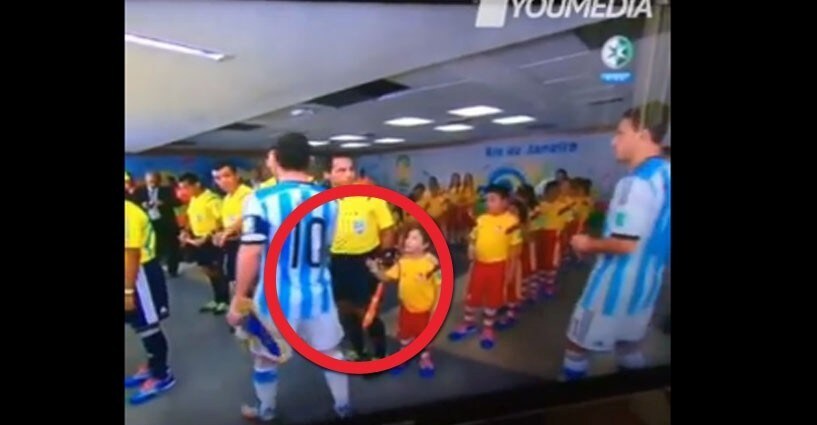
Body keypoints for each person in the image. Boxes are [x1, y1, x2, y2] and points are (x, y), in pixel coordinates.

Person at [227, 133, 351, 421]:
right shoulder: (330, 201)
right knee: (331, 352)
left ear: (275, 159)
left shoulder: (260, 199)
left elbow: (251, 251)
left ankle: (266, 410)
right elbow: (326, 248)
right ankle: (344, 407)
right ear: (308, 160)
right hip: (318, 294)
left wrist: (239, 298)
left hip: (275, 296)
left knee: (265, 357)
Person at [562, 105, 671, 380]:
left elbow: (624, 244)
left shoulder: (634, 184)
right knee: (628, 344)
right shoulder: (667, 174)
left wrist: (587, 243)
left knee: (576, 346)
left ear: (642, 135)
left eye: (621, 133)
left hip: (612, 286)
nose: (614, 141)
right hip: (647, 286)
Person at [326, 154, 397, 362]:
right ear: (328, 174)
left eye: (351, 169)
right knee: (344, 310)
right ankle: (359, 351)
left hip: (366, 260)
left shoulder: (369, 194)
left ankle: (380, 354)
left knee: (366, 311)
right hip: (338, 261)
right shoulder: (324, 201)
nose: (348, 174)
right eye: (341, 170)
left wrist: (384, 259)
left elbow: (388, 229)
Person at [448, 184, 521, 350]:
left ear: (505, 202)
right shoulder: (482, 219)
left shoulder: (512, 222)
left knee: (493, 300)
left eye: (493, 200)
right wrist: (471, 246)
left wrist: (510, 271)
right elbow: (473, 238)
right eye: (487, 200)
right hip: (479, 266)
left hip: (499, 267)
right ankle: (468, 324)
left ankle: (488, 329)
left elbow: (515, 249)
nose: (488, 203)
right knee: (472, 296)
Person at [366, 224, 441, 377]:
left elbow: (440, 287)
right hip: (406, 309)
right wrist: (375, 269)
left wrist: (436, 311)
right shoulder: (402, 263)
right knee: (404, 335)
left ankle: (425, 358)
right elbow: (386, 277)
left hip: (425, 311)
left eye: (414, 238)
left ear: (425, 245)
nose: (407, 241)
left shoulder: (432, 264)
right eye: (407, 237)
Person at [125, 183, 175, 404]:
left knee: (148, 325)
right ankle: (152, 364)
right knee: (138, 323)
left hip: (140, 274)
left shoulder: (127, 212)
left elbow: (131, 254)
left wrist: (127, 292)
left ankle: (162, 374)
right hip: (131, 274)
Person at [177, 173, 230, 314]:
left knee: (217, 270)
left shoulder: (212, 199)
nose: (184, 191)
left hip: (211, 240)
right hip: (197, 240)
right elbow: (191, 217)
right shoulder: (194, 200)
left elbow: (221, 221)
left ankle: (224, 301)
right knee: (207, 270)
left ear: (197, 184)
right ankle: (216, 299)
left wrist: (207, 236)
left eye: (186, 187)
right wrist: (185, 231)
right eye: (181, 188)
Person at [212, 163, 253, 294]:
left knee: (248, 286)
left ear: (236, 176)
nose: (223, 181)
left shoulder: (247, 194)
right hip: (232, 245)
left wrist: (228, 232)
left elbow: (246, 216)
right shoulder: (227, 198)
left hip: (247, 245)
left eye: (227, 176)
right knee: (234, 282)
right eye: (218, 178)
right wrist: (220, 233)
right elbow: (227, 222)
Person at [134, 172, 181, 277]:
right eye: (150, 181)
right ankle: (156, 270)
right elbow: (133, 205)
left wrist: (163, 202)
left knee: (172, 246)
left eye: (155, 181)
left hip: (166, 223)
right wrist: (142, 205)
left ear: (159, 181)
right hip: (149, 223)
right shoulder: (139, 191)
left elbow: (177, 202)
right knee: (153, 248)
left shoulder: (167, 190)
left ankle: (173, 270)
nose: (153, 184)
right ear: (146, 181)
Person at [535, 181, 572, 298]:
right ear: (546, 192)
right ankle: (539, 284)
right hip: (541, 236)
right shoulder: (539, 207)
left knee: (553, 261)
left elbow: (568, 223)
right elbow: (536, 223)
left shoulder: (563, 207)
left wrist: (565, 238)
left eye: (557, 191)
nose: (555, 194)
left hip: (555, 237)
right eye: (552, 191)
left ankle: (549, 285)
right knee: (540, 260)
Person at [496, 198, 528, 329]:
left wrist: (512, 268)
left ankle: (511, 315)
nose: (510, 214)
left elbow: (517, 250)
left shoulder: (519, 229)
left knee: (512, 288)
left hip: (513, 262)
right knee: (503, 286)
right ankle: (504, 305)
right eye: (508, 211)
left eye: (514, 212)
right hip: (502, 260)